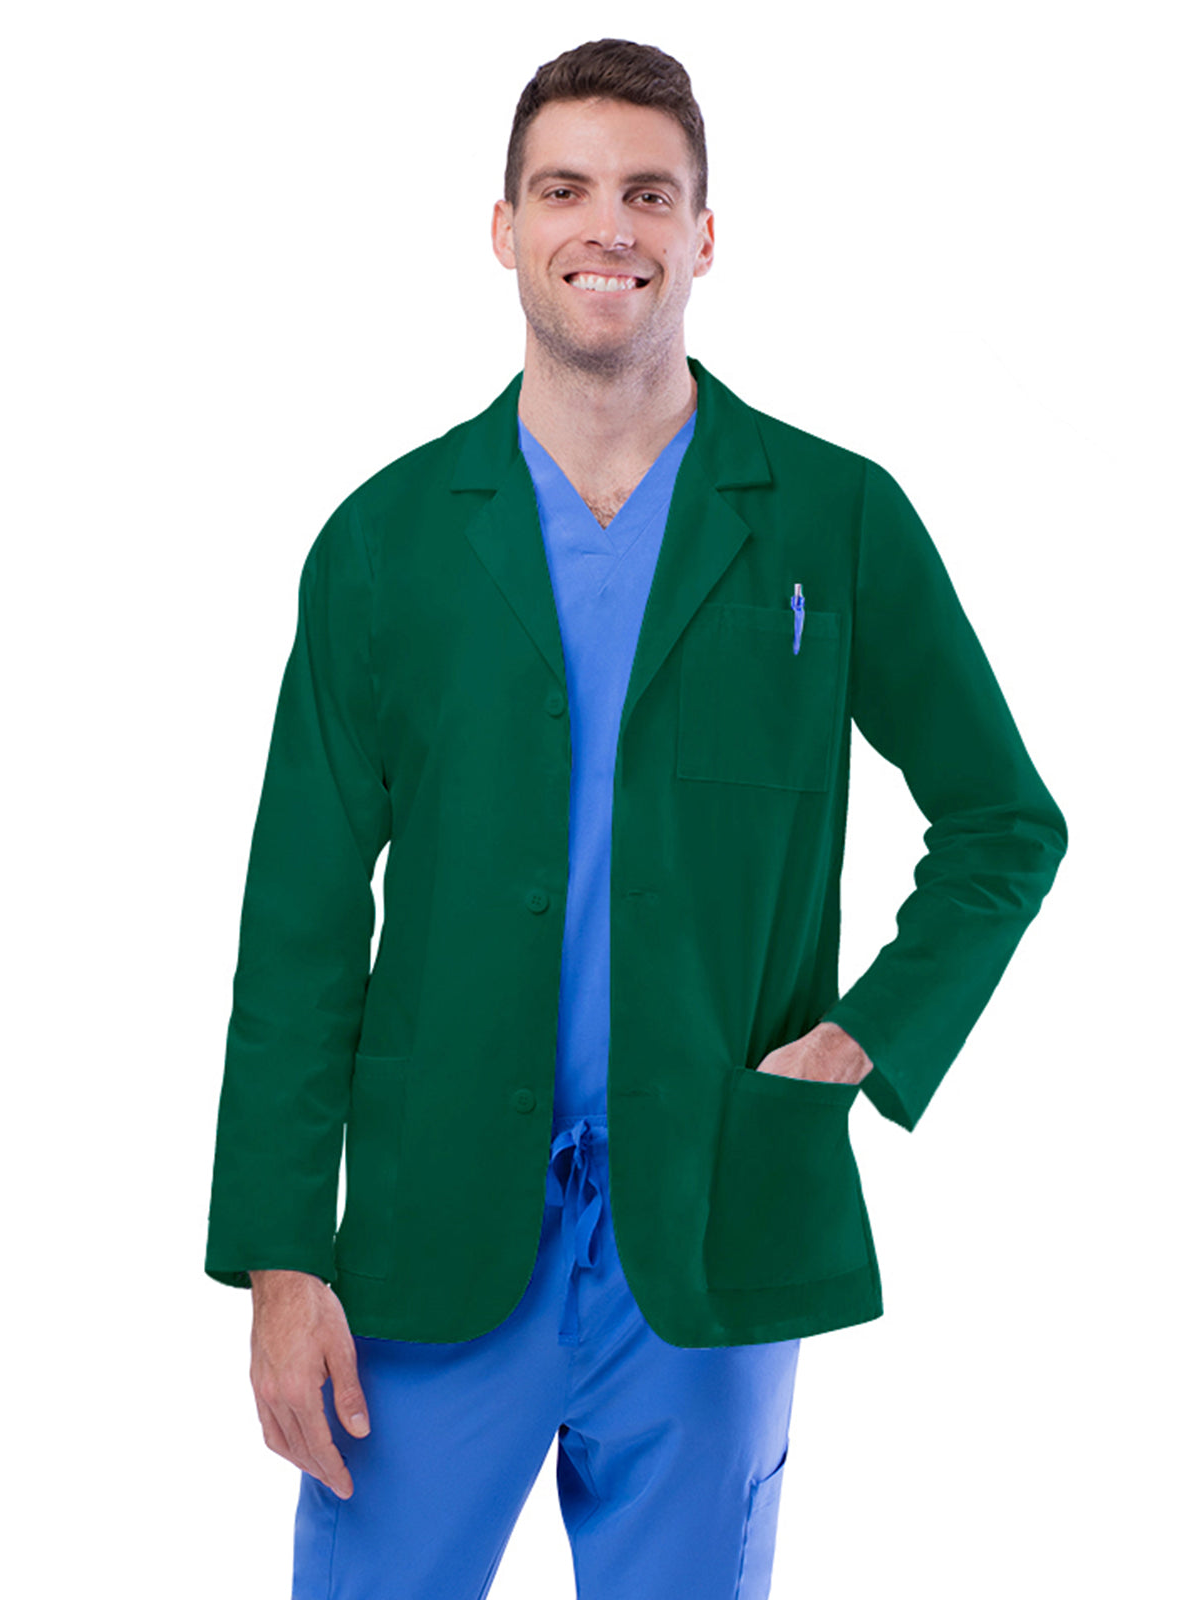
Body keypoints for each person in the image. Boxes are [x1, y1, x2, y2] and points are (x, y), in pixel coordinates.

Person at [204, 37, 1068, 1600]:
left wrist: (869, 1040)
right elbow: (301, 927)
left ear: (705, 235)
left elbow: (1006, 824)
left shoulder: (832, 519)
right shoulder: (387, 545)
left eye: (649, 194)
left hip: (712, 1227)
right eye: (566, 190)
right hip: (427, 1248)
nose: (608, 226)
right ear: (504, 228)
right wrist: (278, 1256)